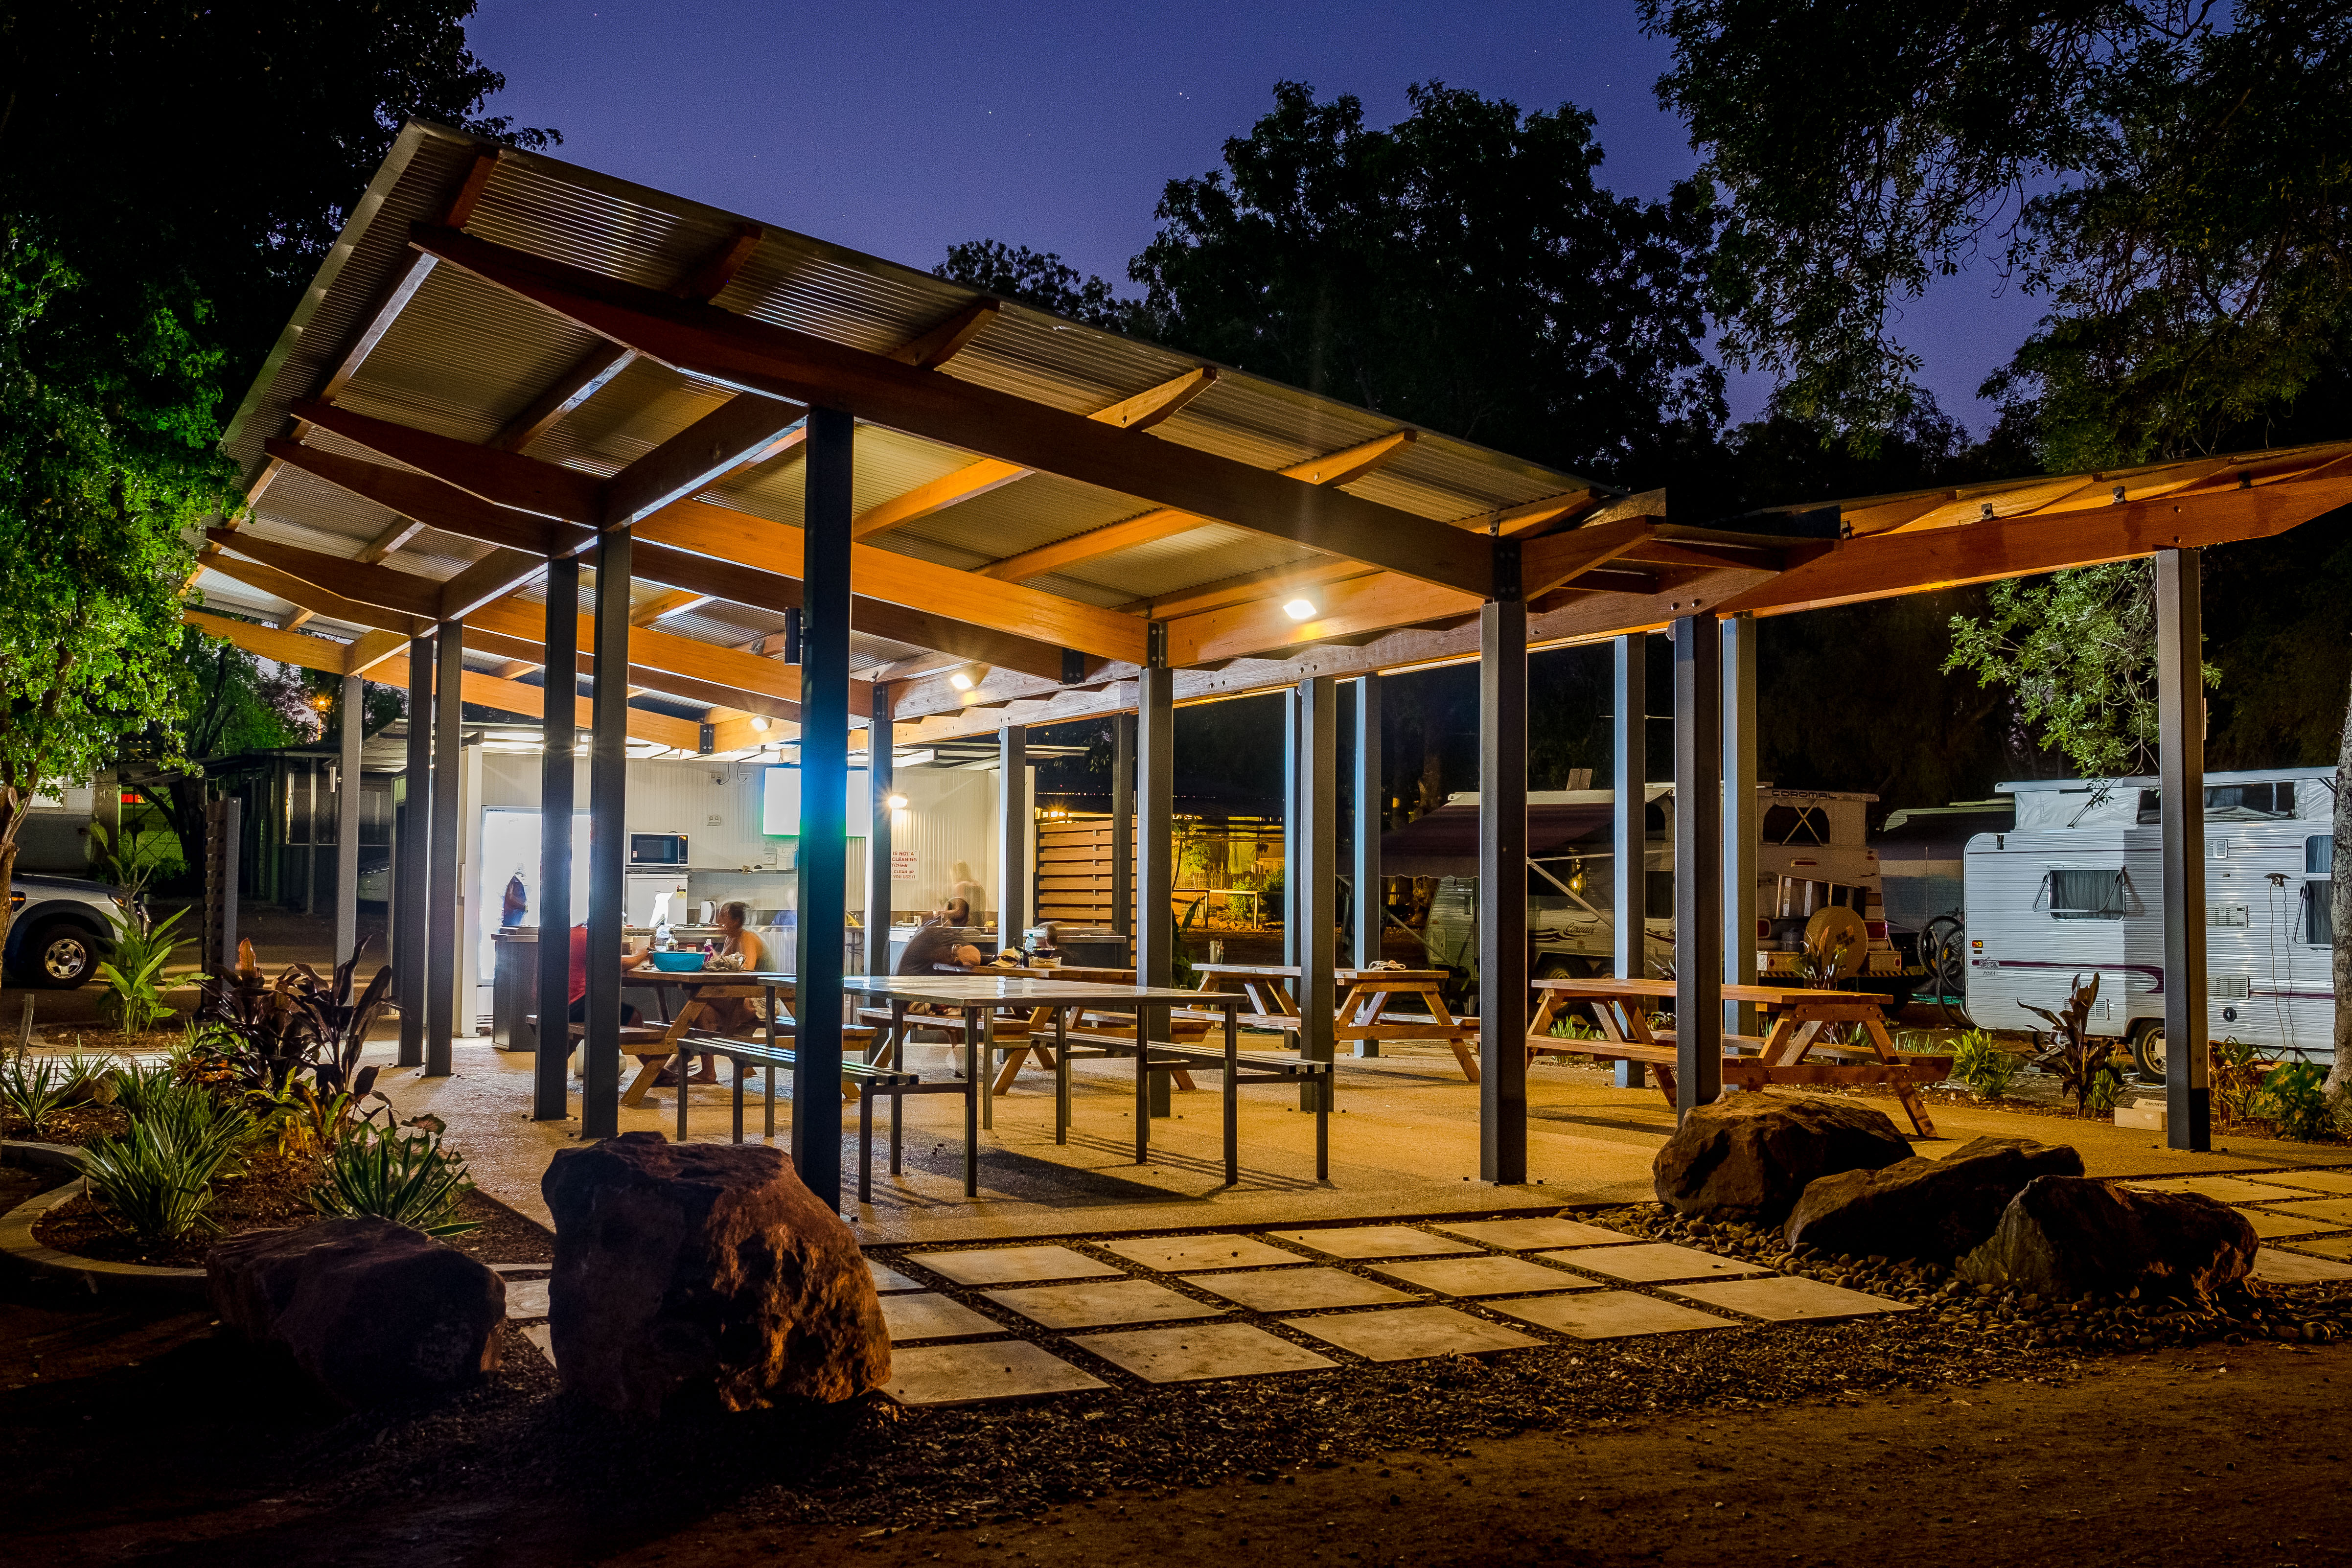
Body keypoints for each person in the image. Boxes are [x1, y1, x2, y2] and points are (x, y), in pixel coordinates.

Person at [661, 900, 767, 1084]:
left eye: (723, 915)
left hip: (760, 1000)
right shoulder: (731, 938)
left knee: (698, 1000)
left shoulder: (747, 937)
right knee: (701, 1010)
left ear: (736, 920)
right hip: (741, 997)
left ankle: (682, 1057)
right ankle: (708, 1072)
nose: (718, 919)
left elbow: (747, 969)